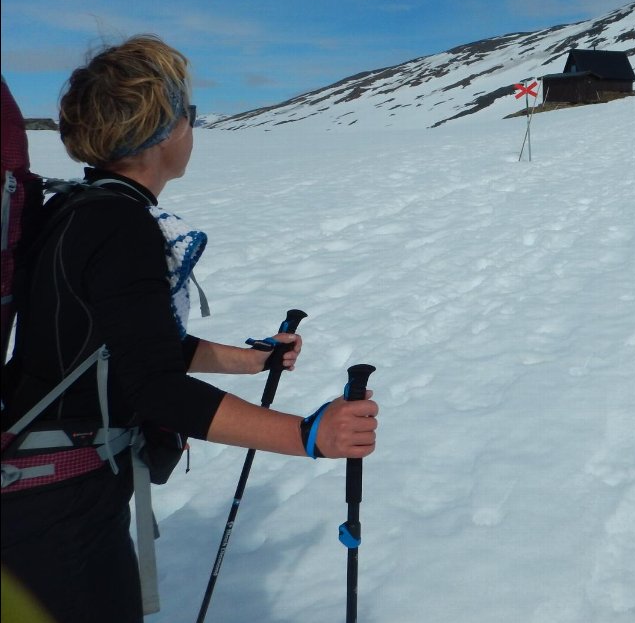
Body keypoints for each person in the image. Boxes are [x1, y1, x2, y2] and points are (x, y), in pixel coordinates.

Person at [0, 35, 379, 623]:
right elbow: (157, 388)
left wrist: (252, 360)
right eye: (188, 114)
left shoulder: (79, 207)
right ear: (158, 133)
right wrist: (308, 435)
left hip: (40, 480)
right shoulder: (122, 227)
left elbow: (118, 347)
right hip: (61, 507)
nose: (191, 128)